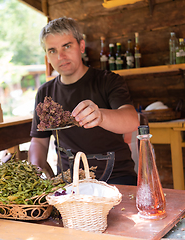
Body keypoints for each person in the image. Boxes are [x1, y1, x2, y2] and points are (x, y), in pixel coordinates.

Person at [28, 17, 140, 185]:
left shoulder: (108, 80)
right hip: (69, 183)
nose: (61, 56)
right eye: (52, 50)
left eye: (67, 46)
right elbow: (39, 141)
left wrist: (100, 116)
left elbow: (132, 121)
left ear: (81, 46)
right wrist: (33, 171)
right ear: (47, 56)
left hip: (117, 178)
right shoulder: (45, 93)